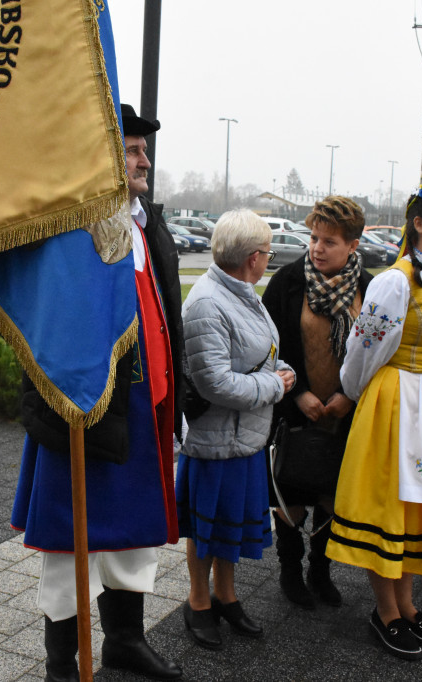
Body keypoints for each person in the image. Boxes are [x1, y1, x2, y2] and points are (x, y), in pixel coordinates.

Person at [11, 104, 184, 681]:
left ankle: (125, 641)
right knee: (72, 549)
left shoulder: (145, 222)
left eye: (143, 150)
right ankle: (62, 665)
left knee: (134, 539)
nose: (144, 160)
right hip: (86, 410)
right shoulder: (73, 232)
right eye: (131, 150)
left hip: (145, 408)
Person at [325, 174, 422, 661]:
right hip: (399, 403)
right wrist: (350, 393)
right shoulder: (396, 281)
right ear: (419, 224)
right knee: (392, 506)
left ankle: (408, 605)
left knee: (419, 508)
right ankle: (385, 610)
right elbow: (364, 349)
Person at [176, 209, 295, 650]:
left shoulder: (241, 291)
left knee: (226, 527)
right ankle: (198, 600)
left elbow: (257, 352)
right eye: (267, 251)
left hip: (244, 438)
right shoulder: (209, 301)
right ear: (252, 257)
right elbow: (215, 381)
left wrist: (281, 371)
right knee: (207, 531)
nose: (269, 258)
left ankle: (225, 596)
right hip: (214, 440)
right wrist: (274, 387)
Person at [261, 196, 373, 610]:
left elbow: (377, 352)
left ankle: (320, 571)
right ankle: (290, 571)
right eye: (313, 238)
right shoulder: (289, 281)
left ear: (353, 246)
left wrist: (348, 397)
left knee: (332, 495)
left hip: (346, 414)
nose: (317, 248)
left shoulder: (370, 288)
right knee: (289, 497)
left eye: (329, 241)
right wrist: (301, 391)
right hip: (295, 409)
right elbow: (270, 345)